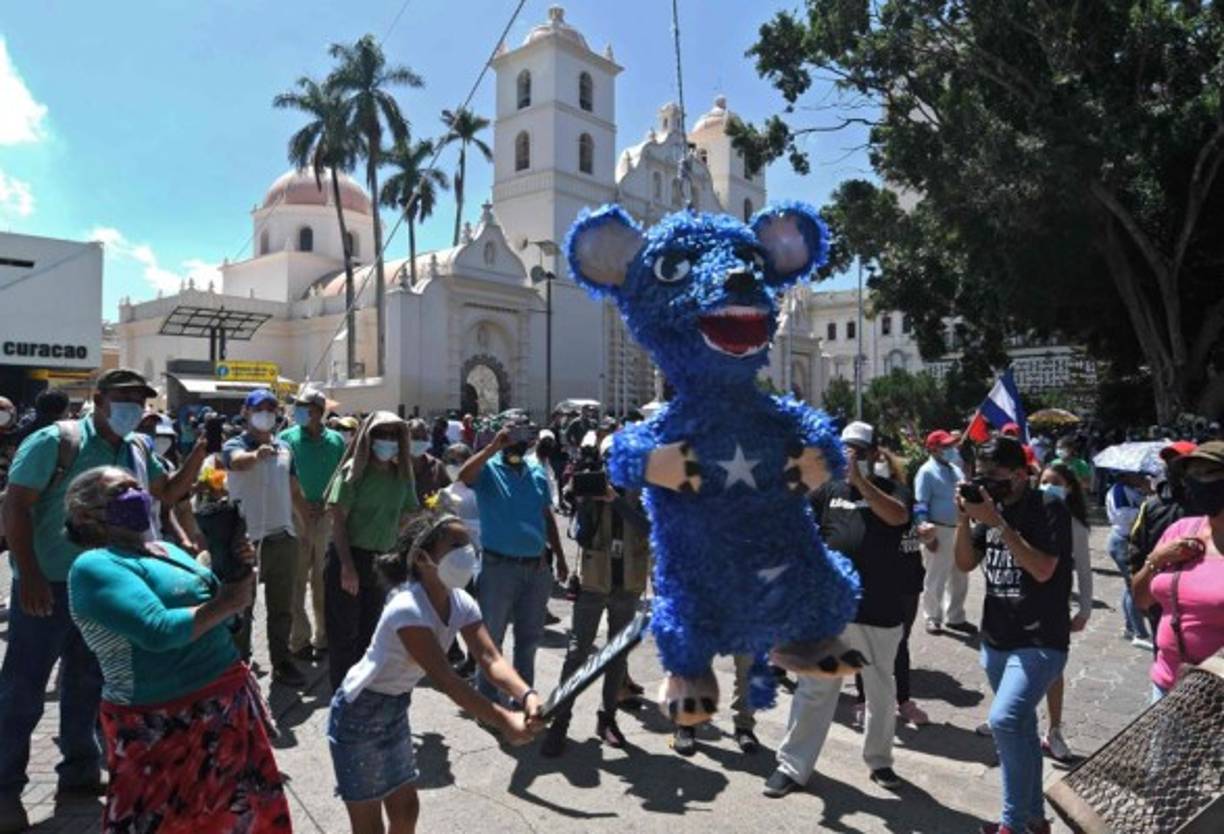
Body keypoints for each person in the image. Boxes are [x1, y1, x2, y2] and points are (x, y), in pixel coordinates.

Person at [0, 369, 204, 833]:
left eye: (139, 399)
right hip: (48, 585)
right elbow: (15, 505)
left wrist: (198, 454)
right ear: (99, 399)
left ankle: (79, 770)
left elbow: (167, 494)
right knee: (23, 690)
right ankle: (5, 790)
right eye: (123, 396)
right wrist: (28, 574)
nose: (133, 405)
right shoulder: (57, 442)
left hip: (104, 588)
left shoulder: (138, 449)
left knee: (88, 682)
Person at [64, 466, 290, 832]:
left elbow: (227, 616)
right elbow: (158, 630)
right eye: (120, 491)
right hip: (159, 721)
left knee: (238, 820)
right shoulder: (94, 566)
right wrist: (226, 603)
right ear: (84, 514)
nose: (136, 495)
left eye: (136, 486)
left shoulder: (167, 550)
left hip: (225, 708)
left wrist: (238, 568)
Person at [328, 512, 541, 834]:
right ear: (422, 558)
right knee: (369, 825)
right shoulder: (407, 607)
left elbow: (489, 657)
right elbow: (447, 680)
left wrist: (526, 695)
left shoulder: (461, 601)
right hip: (358, 713)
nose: (467, 552)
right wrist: (504, 719)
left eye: (467, 544)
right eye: (455, 545)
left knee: (405, 810)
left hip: (394, 709)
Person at [765, 421, 911, 798]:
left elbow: (897, 517)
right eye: (846, 449)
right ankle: (792, 765)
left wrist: (861, 482)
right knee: (814, 689)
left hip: (879, 610)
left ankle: (879, 760)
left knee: (880, 692)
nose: (850, 456)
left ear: (875, 454)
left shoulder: (893, 490)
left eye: (859, 451)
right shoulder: (827, 491)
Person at [954, 436, 1073, 834]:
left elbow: (1043, 569)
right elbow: (964, 563)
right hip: (997, 638)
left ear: (1021, 475)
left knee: (1004, 721)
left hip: (1040, 639)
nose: (986, 483)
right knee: (1020, 732)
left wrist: (998, 524)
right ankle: (1035, 820)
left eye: (995, 475)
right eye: (981, 476)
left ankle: (1012, 824)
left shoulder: (1048, 506)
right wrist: (963, 518)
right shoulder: (992, 509)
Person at [542, 442, 651, 757]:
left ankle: (607, 718)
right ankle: (560, 721)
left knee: (617, 654)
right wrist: (584, 503)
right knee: (577, 653)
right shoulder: (591, 488)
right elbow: (580, 535)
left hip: (627, 583)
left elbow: (649, 529)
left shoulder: (645, 492)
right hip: (593, 581)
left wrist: (616, 501)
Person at [457, 423, 568, 704]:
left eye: (522, 436)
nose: (517, 441)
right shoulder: (489, 468)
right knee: (492, 639)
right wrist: (493, 447)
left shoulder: (536, 470)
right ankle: (489, 701)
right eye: (511, 435)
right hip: (499, 567)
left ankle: (523, 699)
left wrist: (560, 557)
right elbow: (464, 476)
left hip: (536, 568)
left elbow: (546, 515)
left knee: (529, 639)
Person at [221, 388, 311, 688]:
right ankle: (239, 664)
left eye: (272, 409)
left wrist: (305, 526)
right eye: (260, 409)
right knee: (242, 606)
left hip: (282, 536)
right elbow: (237, 462)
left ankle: (282, 662)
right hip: (246, 540)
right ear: (245, 412)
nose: (266, 414)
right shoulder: (235, 444)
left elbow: (294, 489)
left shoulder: (285, 448)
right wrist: (256, 455)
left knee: (282, 607)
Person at [324, 411, 420, 691]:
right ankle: (342, 696)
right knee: (344, 635)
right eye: (381, 434)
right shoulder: (353, 472)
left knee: (371, 634)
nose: (387, 440)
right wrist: (347, 567)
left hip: (382, 563)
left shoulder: (402, 476)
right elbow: (338, 522)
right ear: (368, 437)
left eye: (393, 435)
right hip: (349, 557)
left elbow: (408, 517)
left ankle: (361, 693)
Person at [1131, 441, 1224, 702]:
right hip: (1166, 685)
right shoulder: (1182, 529)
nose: (1196, 482)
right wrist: (1155, 560)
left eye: (1207, 473)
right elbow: (1141, 600)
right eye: (1191, 475)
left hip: (1216, 696)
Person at [859, 446, 929, 727]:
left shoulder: (902, 493)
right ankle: (863, 699)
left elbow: (919, 517)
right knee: (864, 643)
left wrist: (927, 531)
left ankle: (904, 700)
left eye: (884, 461)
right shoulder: (862, 499)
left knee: (900, 641)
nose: (880, 465)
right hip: (877, 580)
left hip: (908, 580)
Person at [280, 388, 346, 662]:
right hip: (295, 516)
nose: (298, 411)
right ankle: (299, 640)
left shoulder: (336, 441)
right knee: (296, 580)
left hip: (326, 516)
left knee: (323, 580)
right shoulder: (286, 439)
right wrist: (301, 505)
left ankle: (324, 636)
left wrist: (329, 504)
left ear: (319, 412)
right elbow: (279, 478)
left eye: (304, 407)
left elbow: (342, 477)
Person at [1036, 463, 1094, 763]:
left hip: (1055, 606)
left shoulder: (1074, 525)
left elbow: (1084, 569)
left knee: (1053, 669)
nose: (1047, 487)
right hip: (1020, 604)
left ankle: (1054, 730)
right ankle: (1006, 717)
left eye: (1055, 482)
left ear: (1069, 488)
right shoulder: (1028, 514)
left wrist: (1084, 609)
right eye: (1043, 481)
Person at [1127, 441, 1196, 641]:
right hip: (1160, 594)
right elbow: (1136, 550)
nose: (1172, 467)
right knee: (1164, 646)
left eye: (1179, 462)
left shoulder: (1208, 505)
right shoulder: (1152, 506)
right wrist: (1141, 586)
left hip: (1197, 593)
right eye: (1169, 462)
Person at [915, 429, 974, 636]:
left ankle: (956, 617)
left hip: (960, 529)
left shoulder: (955, 470)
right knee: (936, 577)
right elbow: (920, 504)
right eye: (946, 446)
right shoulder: (926, 472)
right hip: (938, 529)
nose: (951, 449)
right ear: (933, 449)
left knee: (960, 576)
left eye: (951, 445)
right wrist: (926, 534)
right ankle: (932, 617)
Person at [1106, 471, 1153, 648]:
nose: (1141, 477)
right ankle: (1140, 633)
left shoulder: (1133, 490)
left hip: (1130, 540)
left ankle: (1130, 627)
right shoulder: (1118, 491)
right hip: (1122, 541)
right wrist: (1147, 507)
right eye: (1137, 474)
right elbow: (1124, 516)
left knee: (1129, 586)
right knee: (1135, 586)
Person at [407, 418, 451, 506]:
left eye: (424, 438)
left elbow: (447, 493)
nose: (420, 441)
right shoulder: (394, 465)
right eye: (415, 437)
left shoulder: (437, 466)